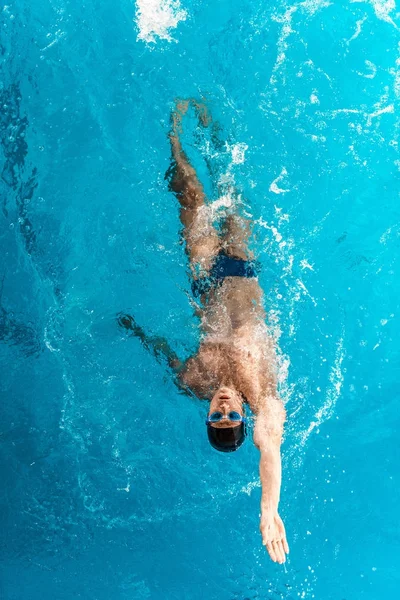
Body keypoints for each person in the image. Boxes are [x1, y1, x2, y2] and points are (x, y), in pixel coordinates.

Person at [118, 100, 289, 564]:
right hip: (245, 269)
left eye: (216, 419)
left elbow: (166, 356)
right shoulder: (263, 395)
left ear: (208, 416)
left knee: (192, 195)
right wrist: (268, 509)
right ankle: (214, 131)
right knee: (233, 190)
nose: (225, 412)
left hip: (207, 276)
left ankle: (173, 128)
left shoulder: (195, 380)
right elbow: (270, 450)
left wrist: (137, 331)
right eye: (232, 419)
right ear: (243, 420)